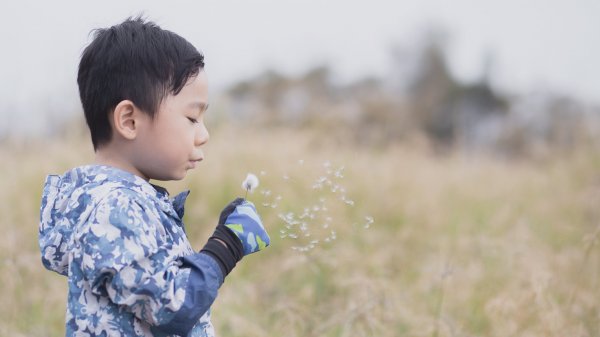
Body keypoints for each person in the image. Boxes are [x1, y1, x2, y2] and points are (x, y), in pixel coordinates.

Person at [38, 17, 270, 337]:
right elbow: (173, 306)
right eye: (192, 117)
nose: (203, 135)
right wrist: (226, 245)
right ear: (129, 121)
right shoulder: (113, 210)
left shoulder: (121, 203)